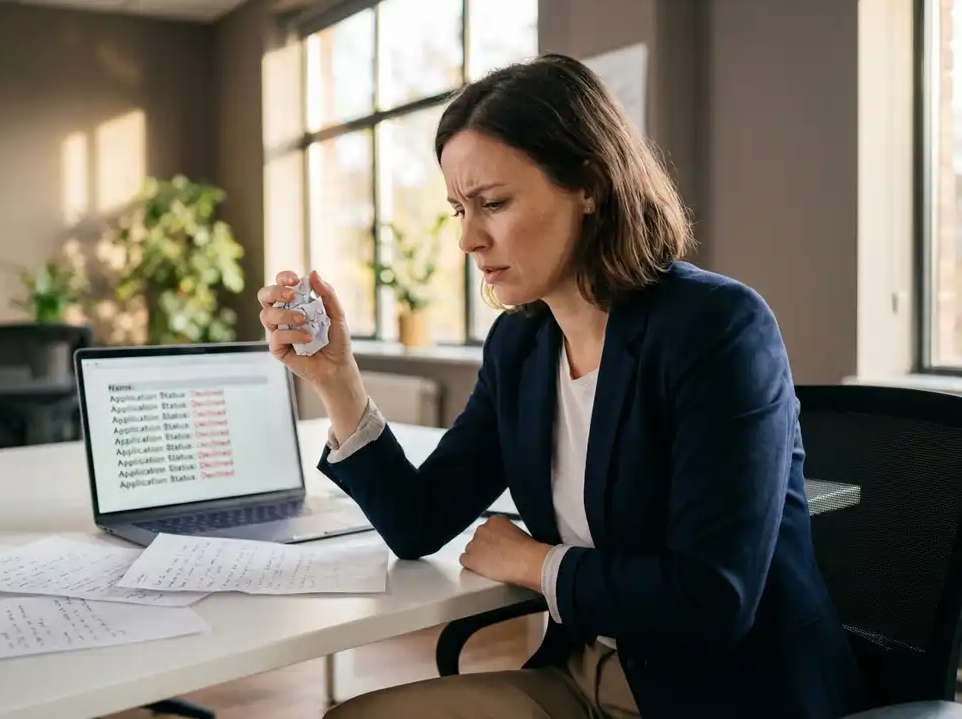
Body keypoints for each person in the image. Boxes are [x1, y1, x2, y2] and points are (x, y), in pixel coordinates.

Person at [257, 54, 866, 719]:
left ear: (589, 185)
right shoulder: (522, 345)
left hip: (721, 697)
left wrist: (534, 563)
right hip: (583, 676)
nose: (467, 238)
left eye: (493, 203)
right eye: (459, 209)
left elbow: (712, 597)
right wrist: (337, 377)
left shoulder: (716, 329)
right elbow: (418, 519)